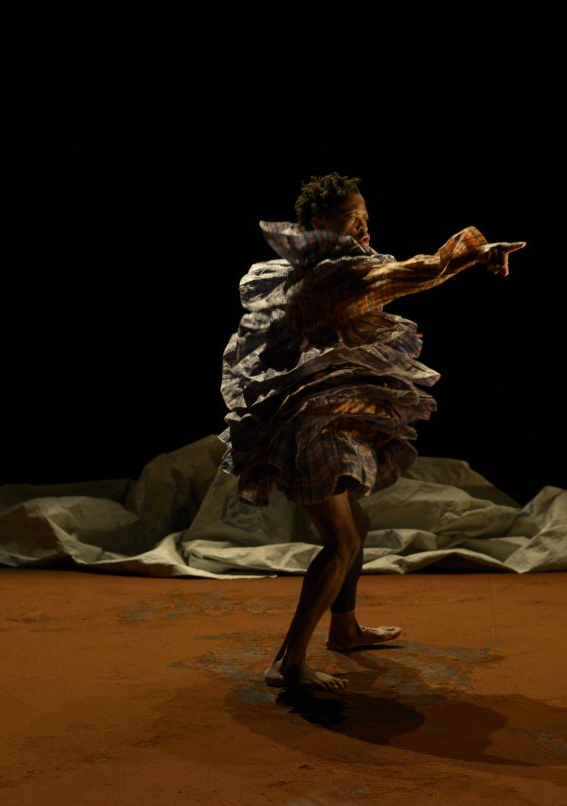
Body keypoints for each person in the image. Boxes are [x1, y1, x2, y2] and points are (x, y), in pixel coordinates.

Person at [217, 173, 524, 690]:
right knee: (340, 542)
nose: (363, 224)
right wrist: (474, 252)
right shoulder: (329, 275)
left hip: (323, 412)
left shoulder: (318, 267)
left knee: (354, 526)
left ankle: (345, 629)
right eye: (350, 216)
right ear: (317, 224)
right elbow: (414, 274)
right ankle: (288, 662)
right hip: (309, 423)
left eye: (366, 214)